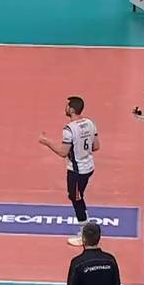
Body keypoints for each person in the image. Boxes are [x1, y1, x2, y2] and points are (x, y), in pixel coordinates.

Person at [40, 96, 99, 246]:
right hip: (89, 167)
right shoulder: (90, 123)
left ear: (72, 109)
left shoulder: (69, 129)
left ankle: (85, 234)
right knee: (77, 197)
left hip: (77, 171)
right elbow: (96, 146)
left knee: (76, 199)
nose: (65, 108)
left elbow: (63, 152)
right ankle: (86, 227)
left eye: (67, 106)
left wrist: (47, 142)